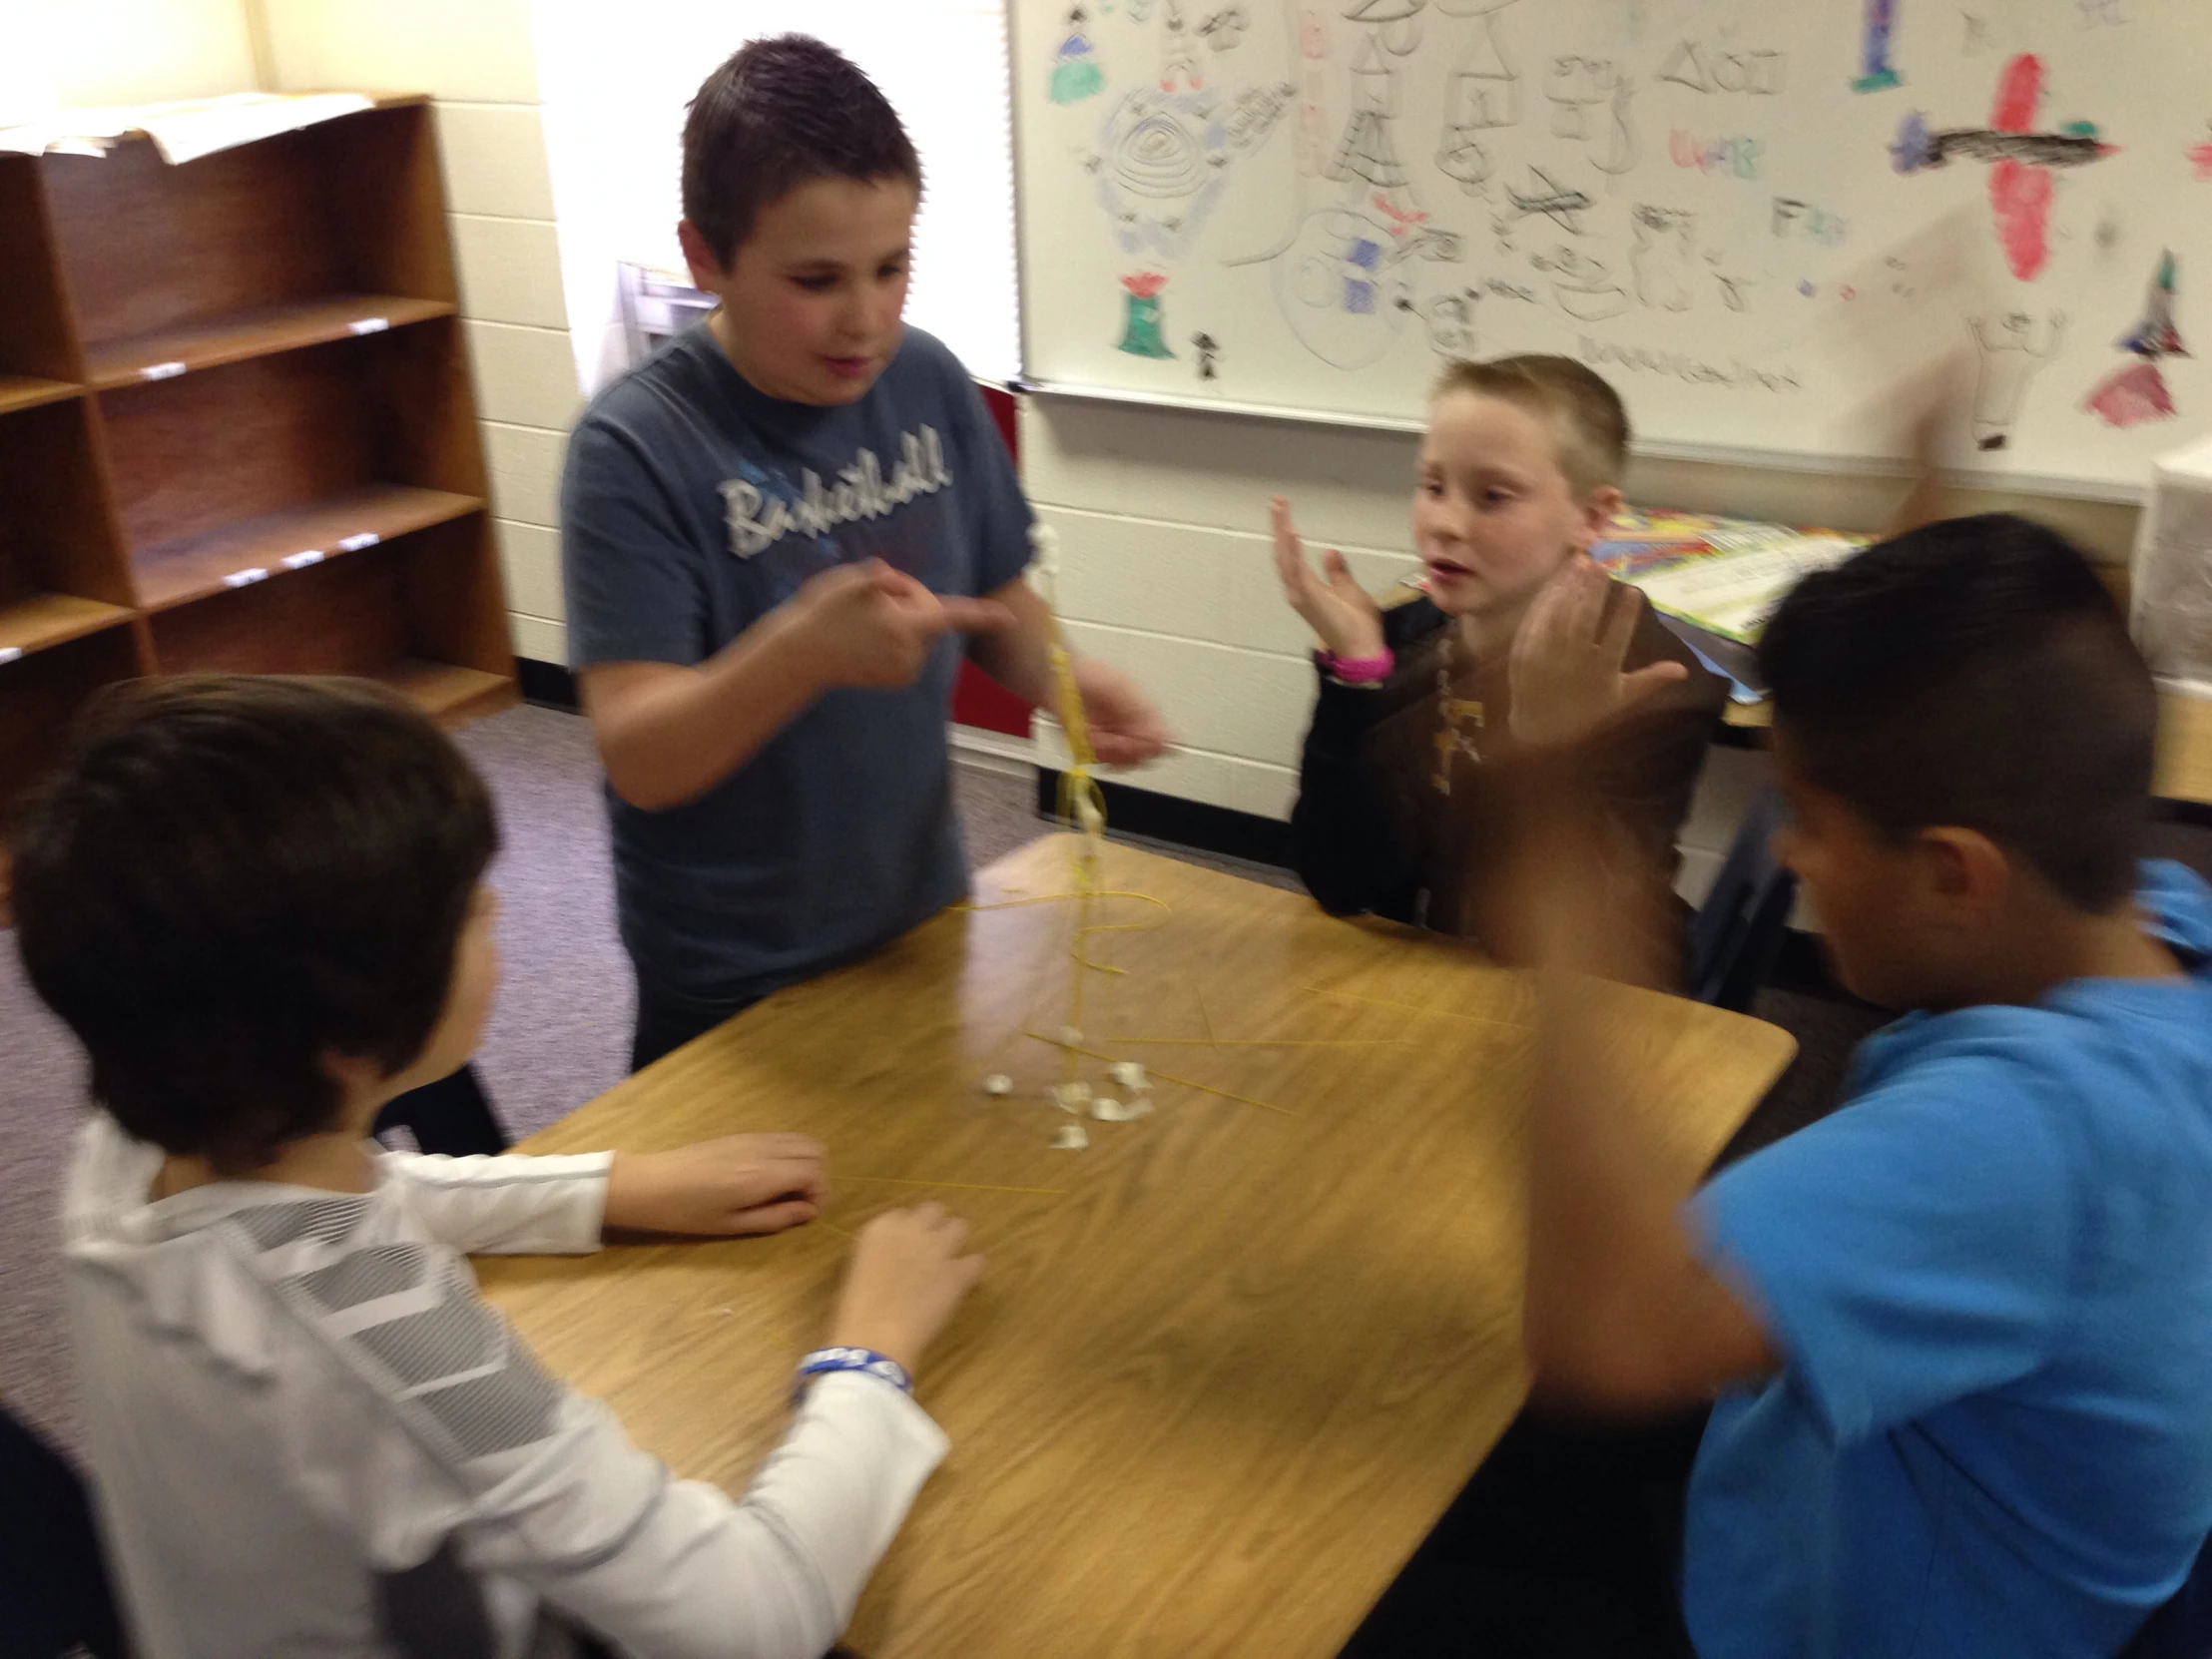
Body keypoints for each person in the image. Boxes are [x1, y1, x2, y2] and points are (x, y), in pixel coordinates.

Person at [1363, 514, 2212, 1657]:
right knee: (1438, 1449)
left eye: (1808, 823)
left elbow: (1601, 1335)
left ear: (1956, 876)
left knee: (1355, 1586)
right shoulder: (2154, 920)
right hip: (1844, 1479)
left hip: (1792, 1619)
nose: (1782, 854)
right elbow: (2003, 728)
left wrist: (1549, 833)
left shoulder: (2033, 1132)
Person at [12, 674, 986, 1659]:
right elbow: (748, 1620)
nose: (498, 914)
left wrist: (609, 1187)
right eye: (475, 910)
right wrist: (868, 1355)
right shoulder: (396, 1349)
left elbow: (329, 1211)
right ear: (347, 1043)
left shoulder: (141, 1130)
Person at [562, 35, 1168, 1071]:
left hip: (916, 924)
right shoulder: (635, 448)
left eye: (892, 268)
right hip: (735, 985)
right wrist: (799, 652)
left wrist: (1065, 681)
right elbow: (641, 757)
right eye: (815, 279)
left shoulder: (925, 381)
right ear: (705, 257)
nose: (866, 319)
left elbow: (992, 592)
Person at [1273, 354, 1724, 980]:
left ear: (1591, 517)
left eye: (1493, 497)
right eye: (1433, 486)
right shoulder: (1404, 641)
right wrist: (1359, 676)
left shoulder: (1650, 681)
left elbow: (1546, 939)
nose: (1445, 524)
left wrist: (1547, 745)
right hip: (1431, 974)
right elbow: (1341, 879)